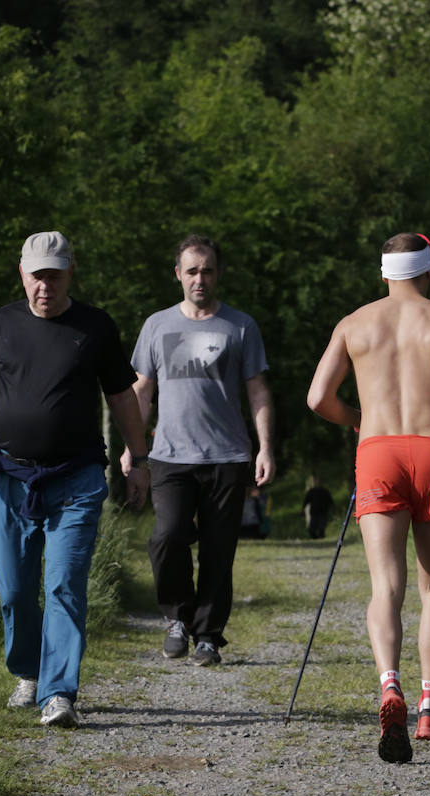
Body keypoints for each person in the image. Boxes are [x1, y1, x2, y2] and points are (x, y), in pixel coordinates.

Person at [0, 230, 151, 728]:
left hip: (77, 479)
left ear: (69, 274)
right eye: (37, 276)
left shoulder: (95, 327)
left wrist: (138, 456)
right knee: (15, 591)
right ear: (23, 273)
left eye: (54, 276)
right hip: (9, 479)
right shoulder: (2, 324)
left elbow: (122, 396)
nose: (45, 286)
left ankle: (59, 692)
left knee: (64, 584)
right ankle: (29, 672)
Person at [306, 232, 430, 763]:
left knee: (386, 585)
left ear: (384, 273)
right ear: (428, 272)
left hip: (378, 450)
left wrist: (358, 420)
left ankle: (390, 686)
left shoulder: (353, 324)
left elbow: (318, 397)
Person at [121, 235, 275, 668]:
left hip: (228, 456)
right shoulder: (157, 326)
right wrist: (135, 448)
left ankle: (208, 635)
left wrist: (264, 448)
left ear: (218, 273)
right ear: (178, 275)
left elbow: (258, 391)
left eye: (207, 270)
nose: (199, 279)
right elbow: (142, 390)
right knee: (166, 536)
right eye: (191, 271)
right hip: (170, 454)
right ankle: (177, 617)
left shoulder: (240, 326)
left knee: (218, 549)